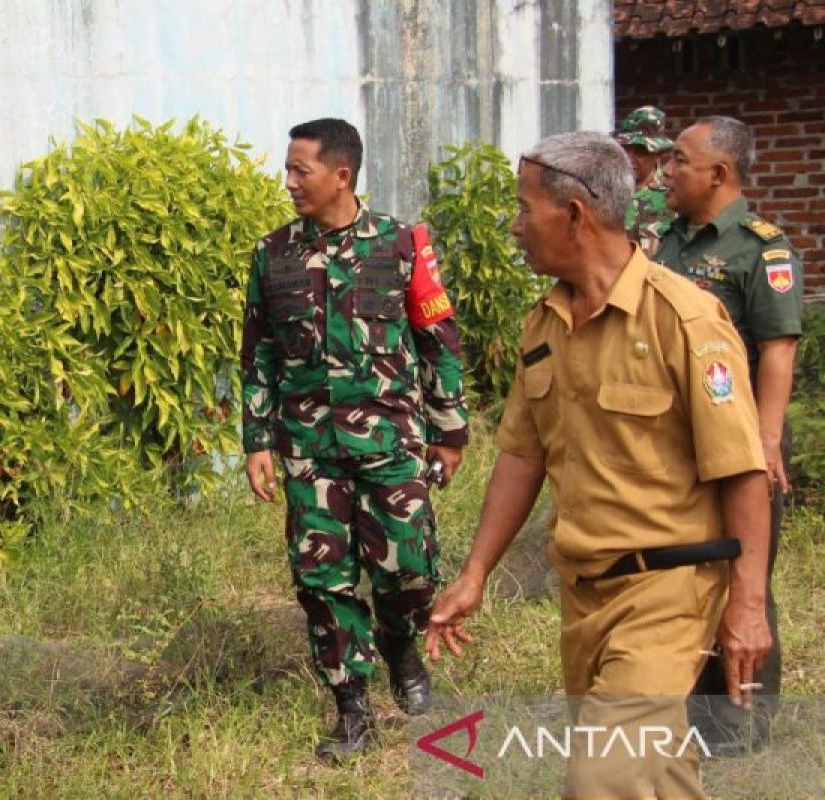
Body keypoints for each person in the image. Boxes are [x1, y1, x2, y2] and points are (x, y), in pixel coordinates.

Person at [426, 131, 771, 798]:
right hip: (584, 597)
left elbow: (742, 470)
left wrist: (747, 606)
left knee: (602, 780)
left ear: (575, 215)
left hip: (666, 593)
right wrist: (473, 574)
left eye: (525, 209)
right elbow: (523, 457)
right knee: (657, 778)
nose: (515, 226)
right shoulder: (544, 324)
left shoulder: (685, 319)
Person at [240, 118, 469, 761]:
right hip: (310, 449)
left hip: (393, 444)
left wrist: (450, 432)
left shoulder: (402, 244)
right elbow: (256, 354)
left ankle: (400, 644)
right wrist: (258, 438)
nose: (288, 183)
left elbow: (438, 340)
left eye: (299, 170)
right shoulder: (273, 253)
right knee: (322, 582)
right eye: (287, 170)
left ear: (341, 174)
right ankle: (352, 709)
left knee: (408, 571)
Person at [654, 115, 803, 754]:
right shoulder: (666, 241)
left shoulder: (759, 248)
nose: (666, 171)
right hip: (678, 441)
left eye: (679, 161)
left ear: (718, 173)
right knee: (688, 574)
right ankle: (690, 710)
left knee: (744, 577)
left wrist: (767, 441)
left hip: (739, 438)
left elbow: (776, 349)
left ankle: (741, 724)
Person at [613, 105, 677, 257]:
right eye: (625, 149)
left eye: (640, 152)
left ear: (657, 153)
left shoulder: (674, 196)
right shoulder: (606, 191)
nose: (629, 158)